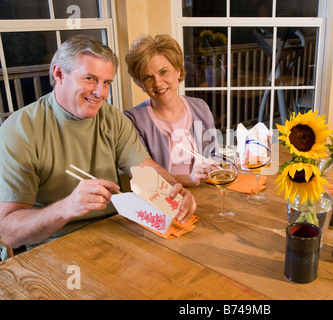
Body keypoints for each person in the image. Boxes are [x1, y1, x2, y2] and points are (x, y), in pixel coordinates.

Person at [0, 35, 196, 252]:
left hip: (116, 231)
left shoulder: (113, 118)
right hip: (55, 247)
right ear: (58, 74)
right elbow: (7, 233)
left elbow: (145, 168)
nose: (100, 93)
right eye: (90, 79)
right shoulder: (19, 131)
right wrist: (66, 208)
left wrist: (174, 190)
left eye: (106, 83)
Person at [124, 34, 217, 187]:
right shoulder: (132, 121)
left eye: (163, 72)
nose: (158, 83)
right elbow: (144, 178)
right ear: (141, 83)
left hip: (206, 192)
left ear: (178, 70)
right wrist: (188, 178)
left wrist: (213, 166)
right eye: (148, 77)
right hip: (162, 199)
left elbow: (214, 154)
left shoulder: (200, 107)